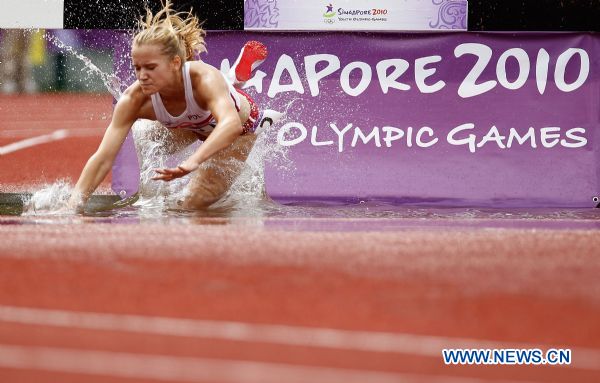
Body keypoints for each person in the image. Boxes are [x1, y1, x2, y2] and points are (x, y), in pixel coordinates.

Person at [69, 0, 275, 210]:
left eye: (150, 68)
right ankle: (232, 79)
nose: (142, 76)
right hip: (193, 126)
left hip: (239, 129)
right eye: (137, 68)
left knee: (191, 204)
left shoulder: (203, 77)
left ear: (176, 63)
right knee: (147, 135)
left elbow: (231, 125)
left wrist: (192, 162)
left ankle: (233, 80)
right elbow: (103, 158)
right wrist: (73, 205)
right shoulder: (133, 99)